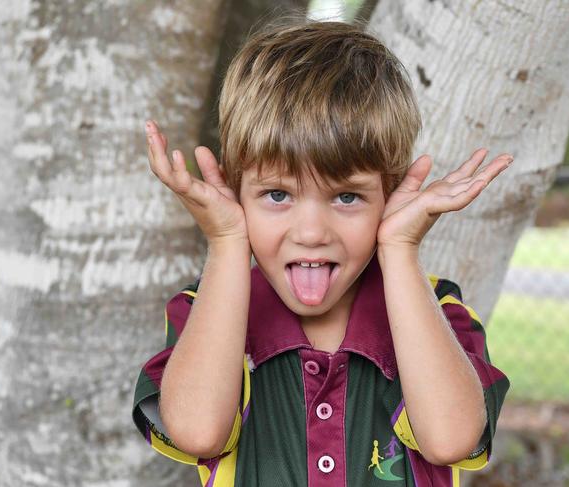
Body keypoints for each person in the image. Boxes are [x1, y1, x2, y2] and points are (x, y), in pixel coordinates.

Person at [132, 13, 511, 487]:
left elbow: (451, 440)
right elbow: (197, 433)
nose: (311, 232)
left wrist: (399, 248)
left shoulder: (437, 312)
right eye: (277, 195)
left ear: (389, 196)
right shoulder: (205, 311)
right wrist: (227, 241)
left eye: (346, 197)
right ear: (235, 189)